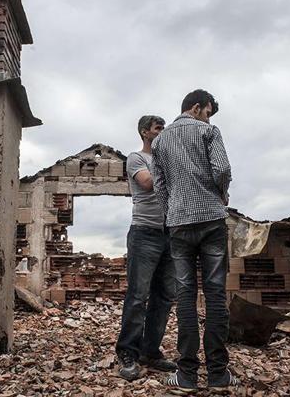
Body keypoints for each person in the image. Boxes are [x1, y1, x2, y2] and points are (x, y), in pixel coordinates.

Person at [151, 89, 240, 391]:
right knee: (215, 296)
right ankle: (218, 374)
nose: (209, 117)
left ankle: (187, 374)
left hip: (178, 224)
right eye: (208, 111)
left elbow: (159, 186)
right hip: (212, 220)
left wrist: (170, 212)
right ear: (197, 107)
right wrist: (222, 193)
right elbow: (223, 168)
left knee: (185, 298)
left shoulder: (160, 140)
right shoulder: (209, 131)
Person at [115, 115, 177, 381]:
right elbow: (148, 183)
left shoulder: (168, 160)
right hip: (144, 234)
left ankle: (150, 351)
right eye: (157, 128)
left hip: (170, 234)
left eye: (164, 127)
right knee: (138, 296)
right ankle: (128, 353)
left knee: (163, 297)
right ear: (145, 132)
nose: (162, 131)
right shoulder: (136, 158)